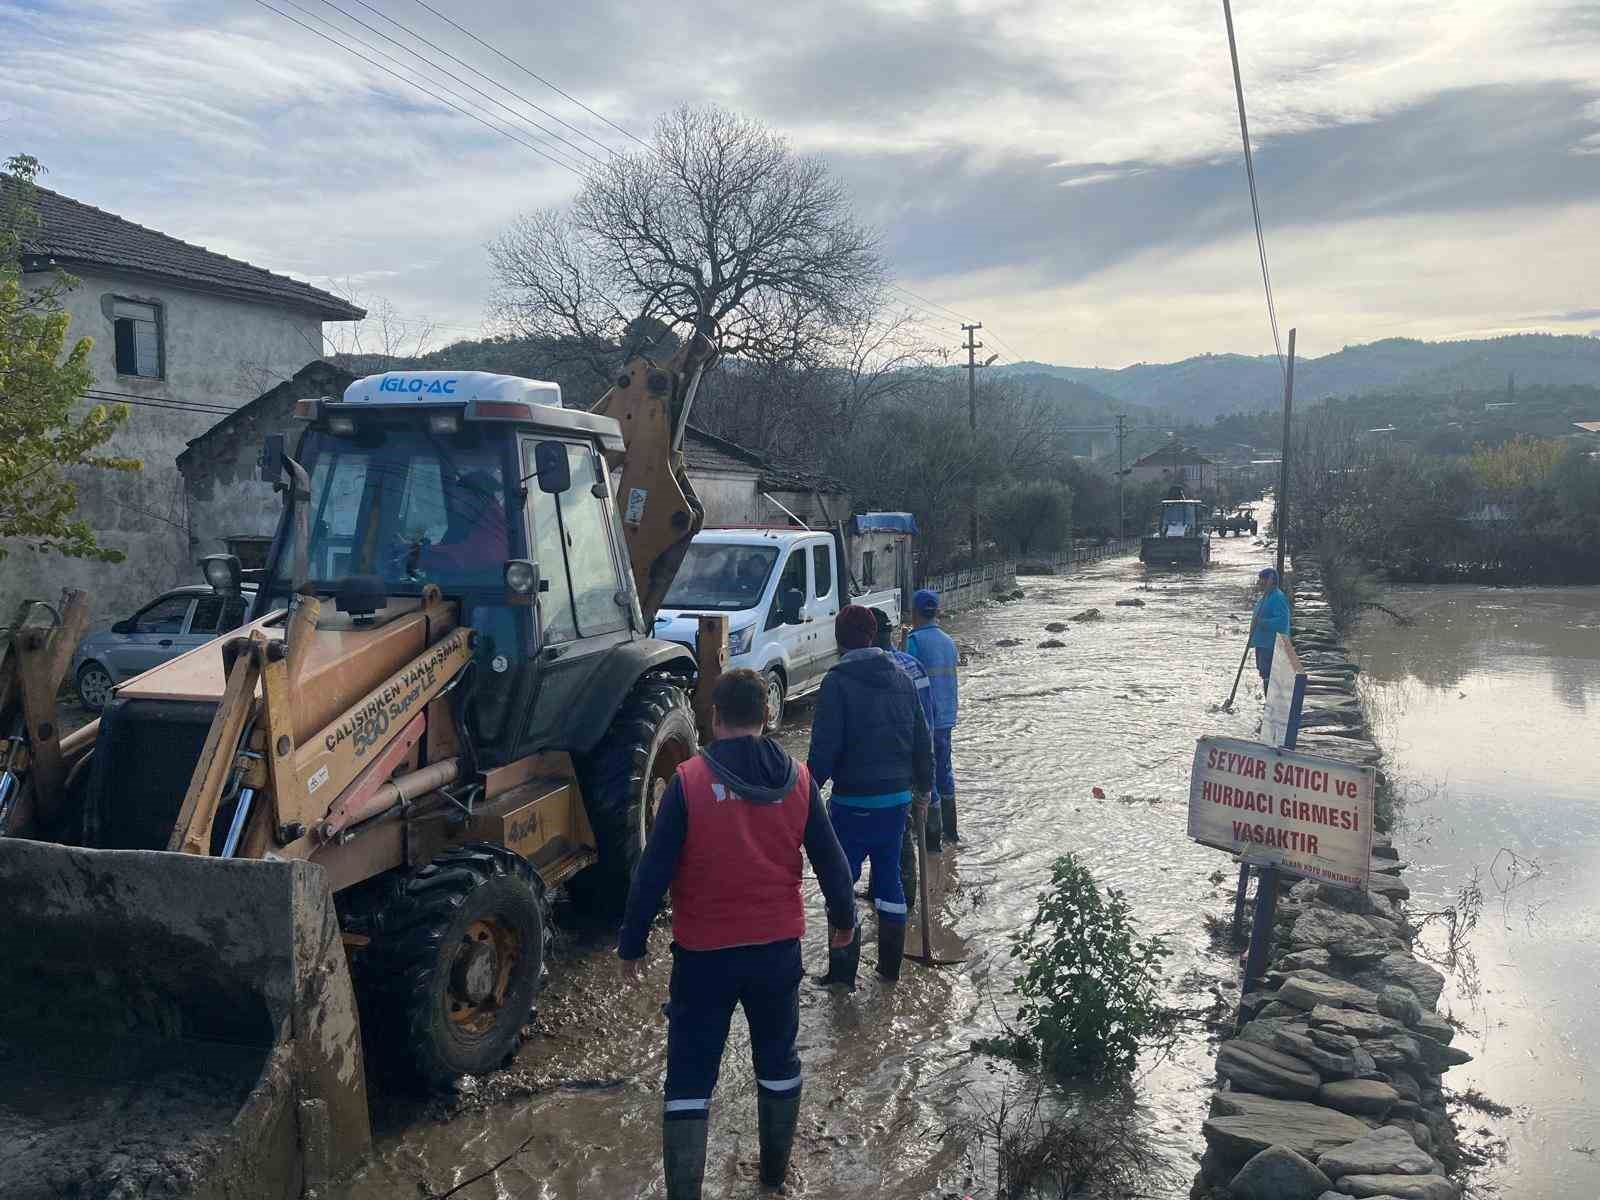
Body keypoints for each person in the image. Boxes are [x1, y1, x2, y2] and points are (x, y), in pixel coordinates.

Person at [618, 668, 855, 1199]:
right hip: (776, 952)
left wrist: (632, 943)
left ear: (715, 717)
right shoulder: (798, 780)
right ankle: (773, 1179)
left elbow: (652, 873)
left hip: (704, 957)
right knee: (777, 1060)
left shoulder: (689, 782)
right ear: (767, 716)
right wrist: (843, 923)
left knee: (689, 1075)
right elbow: (833, 864)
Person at [807, 604, 934, 988]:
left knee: (840, 884)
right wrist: (925, 789)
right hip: (896, 803)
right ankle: (889, 971)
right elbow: (921, 741)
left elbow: (823, 750)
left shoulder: (837, 682)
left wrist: (804, 792)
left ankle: (842, 976)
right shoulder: (902, 679)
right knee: (890, 879)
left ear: (839, 639)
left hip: (851, 805)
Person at [874, 608, 937, 915]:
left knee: (895, 838)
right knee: (904, 835)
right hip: (915, 761)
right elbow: (928, 721)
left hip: (888, 768)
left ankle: (901, 903)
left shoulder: (870, 672)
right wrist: (927, 776)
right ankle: (903, 904)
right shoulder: (914, 667)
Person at [906, 589, 960, 846]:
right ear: (936, 612)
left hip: (925, 720)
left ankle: (932, 839)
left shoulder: (914, 641)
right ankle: (952, 833)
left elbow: (908, 677)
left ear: (915, 613)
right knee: (945, 770)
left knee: (927, 772)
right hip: (947, 717)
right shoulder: (948, 641)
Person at [1251, 567, 1292, 686]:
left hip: (1271, 644)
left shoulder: (1278, 598)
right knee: (1263, 672)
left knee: (1268, 673)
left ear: (1270, 580)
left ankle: (1269, 701)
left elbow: (1282, 622)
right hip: (1262, 642)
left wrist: (1262, 622)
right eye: (1260, 580)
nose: (1260, 583)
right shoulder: (1265, 597)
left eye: (1263, 580)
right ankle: (1267, 701)